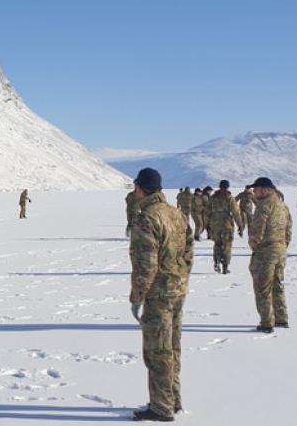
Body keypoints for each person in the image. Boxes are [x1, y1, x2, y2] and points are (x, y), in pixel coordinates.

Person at [128, 168, 191, 421]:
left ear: (140, 187)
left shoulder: (146, 217)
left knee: (157, 351)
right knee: (172, 347)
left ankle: (161, 407)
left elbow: (147, 265)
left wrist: (137, 296)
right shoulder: (176, 214)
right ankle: (172, 399)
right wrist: (181, 279)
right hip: (177, 290)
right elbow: (189, 252)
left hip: (159, 294)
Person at [247, 177, 291, 333]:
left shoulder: (263, 206)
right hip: (280, 251)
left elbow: (257, 231)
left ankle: (267, 322)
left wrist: (255, 246)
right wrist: (282, 246)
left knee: (263, 287)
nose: (254, 191)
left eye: (256, 189)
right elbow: (288, 229)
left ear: (266, 190)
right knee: (277, 285)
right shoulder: (282, 205)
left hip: (265, 252)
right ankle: (281, 318)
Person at [207, 180, 241, 274]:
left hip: (215, 223)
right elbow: (236, 213)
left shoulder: (213, 197)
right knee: (227, 245)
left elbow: (207, 211)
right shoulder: (229, 198)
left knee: (217, 243)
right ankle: (225, 267)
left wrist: (208, 224)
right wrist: (240, 225)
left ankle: (216, 261)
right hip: (226, 224)